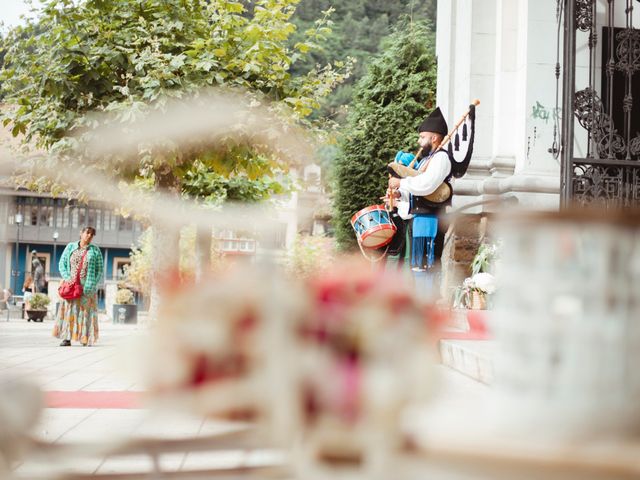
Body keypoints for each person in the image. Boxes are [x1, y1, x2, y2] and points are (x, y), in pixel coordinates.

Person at [52, 227, 104, 347]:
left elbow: (99, 270)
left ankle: (84, 337)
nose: (89, 236)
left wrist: (93, 283)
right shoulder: (70, 246)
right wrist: (67, 278)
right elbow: (62, 264)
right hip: (71, 285)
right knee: (70, 311)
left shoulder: (95, 250)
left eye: (92, 234)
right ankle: (67, 338)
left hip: (87, 287)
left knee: (85, 312)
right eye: (87, 233)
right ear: (81, 233)